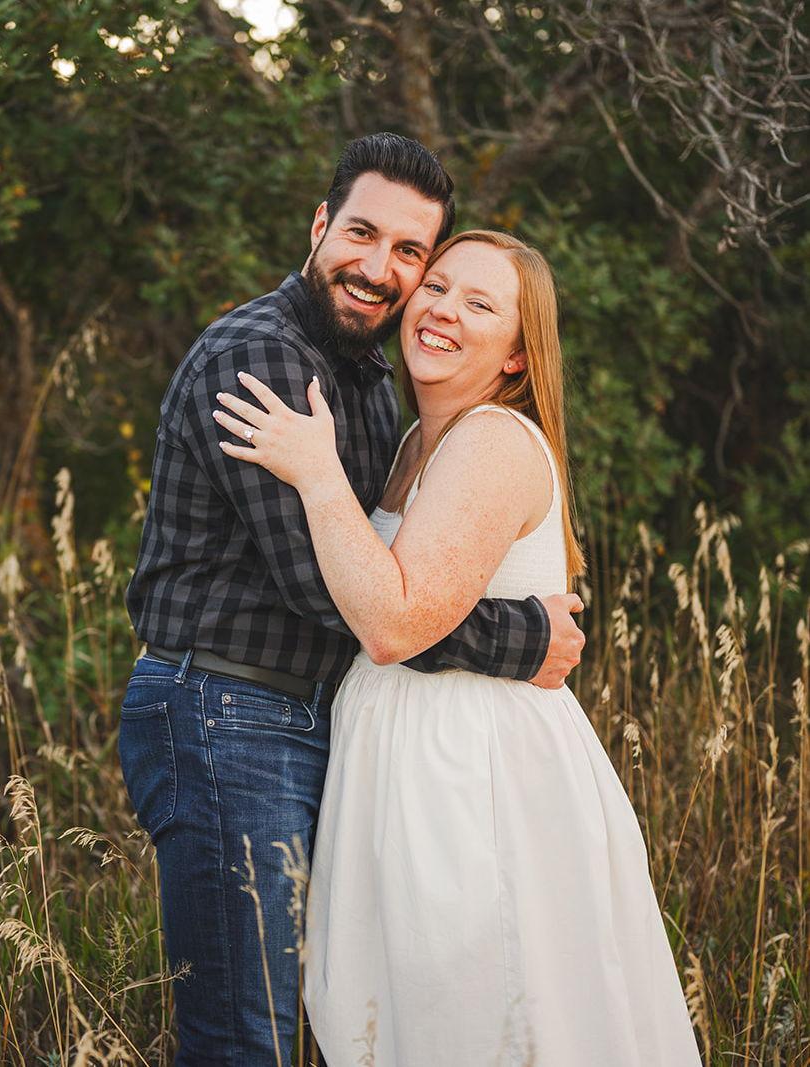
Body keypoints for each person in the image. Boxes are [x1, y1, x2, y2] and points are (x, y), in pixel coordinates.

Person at [120, 134, 585, 1065]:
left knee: (331, 1026)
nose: (380, 269)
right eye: (362, 234)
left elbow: (391, 572)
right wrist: (520, 635)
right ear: (319, 225)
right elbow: (344, 595)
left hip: (309, 724)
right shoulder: (259, 358)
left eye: (410, 252)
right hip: (226, 713)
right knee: (244, 1034)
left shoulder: (376, 381)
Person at [213, 229, 701, 1065]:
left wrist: (317, 472)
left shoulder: (491, 439)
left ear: (515, 356)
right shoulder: (414, 442)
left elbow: (393, 624)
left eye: (478, 304)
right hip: (402, 758)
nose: (442, 309)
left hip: (468, 773)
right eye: (436, 287)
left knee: (473, 1015)